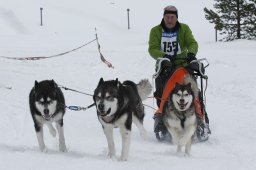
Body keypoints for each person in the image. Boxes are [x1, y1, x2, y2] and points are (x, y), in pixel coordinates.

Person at [148, 5, 210, 141]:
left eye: (172, 17)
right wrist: (164, 56)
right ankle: (162, 116)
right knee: (161, 93)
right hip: (165, 66)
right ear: (163, 17)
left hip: (184, 66)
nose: (169, 20)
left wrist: (192, 54)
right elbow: (152, 49)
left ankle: (200, 118)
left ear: (176, 18)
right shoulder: (155, 31)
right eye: (167, 17)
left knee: (194, 91)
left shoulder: (184, 29)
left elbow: (192, 42)